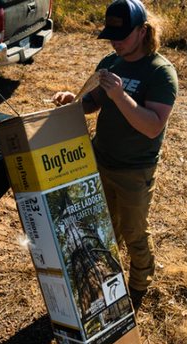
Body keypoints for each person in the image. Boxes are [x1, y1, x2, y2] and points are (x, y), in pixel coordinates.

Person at [53, 0, 178, 313]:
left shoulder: (160, 73)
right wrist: (74, 100)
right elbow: (92, 102)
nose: (115, 43)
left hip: (135, 169)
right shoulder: (111, 61)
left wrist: (120, 95)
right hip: (100, 158)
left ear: (143, 31)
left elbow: (152, 127)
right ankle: (102, 276)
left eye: (122, 36)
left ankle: (137, 287)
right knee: (101, 225)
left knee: (135, 230)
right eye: (111, 36)